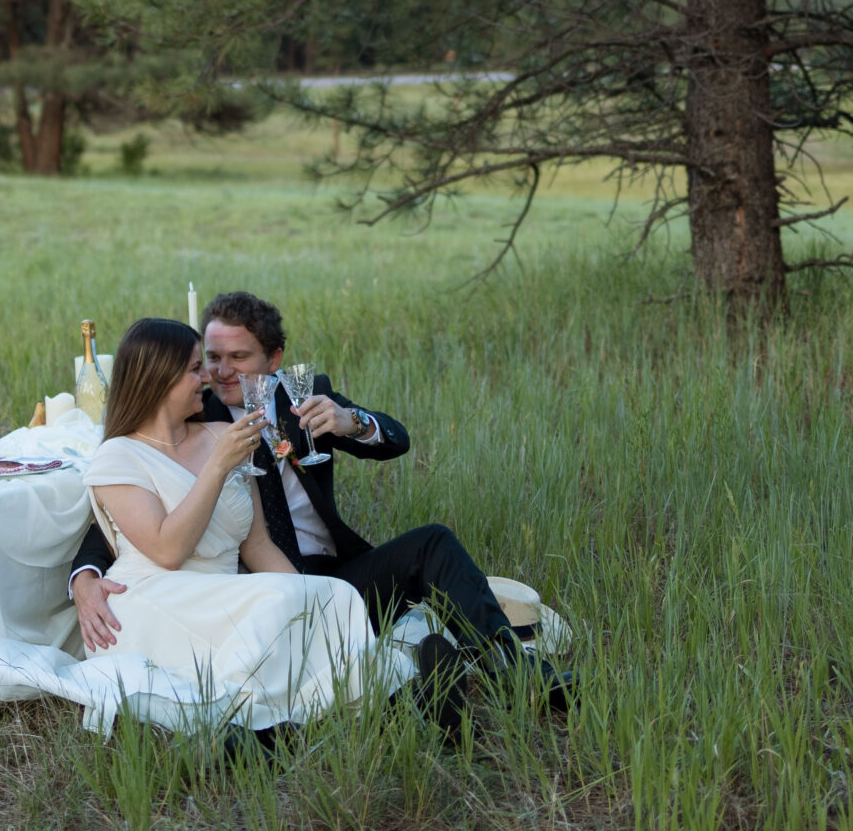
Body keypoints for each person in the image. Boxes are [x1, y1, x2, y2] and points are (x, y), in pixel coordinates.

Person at [70, 291, 567, 700]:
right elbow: (119, 521)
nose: (219, 373)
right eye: (211, 359)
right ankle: (407, 688)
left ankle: (515, 672)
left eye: (238, 359)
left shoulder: (306, 399)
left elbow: (397, 440)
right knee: (320, 657)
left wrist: (353, 422)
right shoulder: (197, 423)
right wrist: (85, 578)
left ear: (275, 360)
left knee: (432, 543)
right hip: (243, 593)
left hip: (331, 573)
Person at [78, 316, 385, 731]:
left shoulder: (221, 433)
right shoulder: (118, 456)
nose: (207, 376)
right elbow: (168, 551)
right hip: (151, 601)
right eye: (193, 368)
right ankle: (269, 725)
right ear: (158, 379)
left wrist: (310, 597)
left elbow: (257, 545)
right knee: (270, 613)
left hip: (219, 594)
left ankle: (385, 699)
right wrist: (217, 466)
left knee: (335, 596)